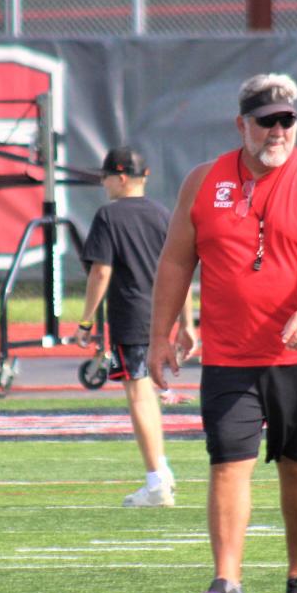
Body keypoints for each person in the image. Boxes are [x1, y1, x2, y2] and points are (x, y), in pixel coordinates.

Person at [148, 73, 297, 593]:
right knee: (228, 462)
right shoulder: (204, 180)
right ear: (242, 124)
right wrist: (159, 335)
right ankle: (227, 582)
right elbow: (176, 260)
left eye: (288, 120)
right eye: (268, 121)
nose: (279, 131)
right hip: (229, 356)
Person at [75, 145, 196, 508]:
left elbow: (101, 271)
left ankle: (156, 481)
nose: (104, 184)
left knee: (138, 395)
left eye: (106, 177)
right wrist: (187, 324)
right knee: (147, 395)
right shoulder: (164, 215)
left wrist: (85, 321)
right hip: (160, 318)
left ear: (122, 177)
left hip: (129, 318)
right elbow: (182, 270)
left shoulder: (108, 217)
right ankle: (161, 471)